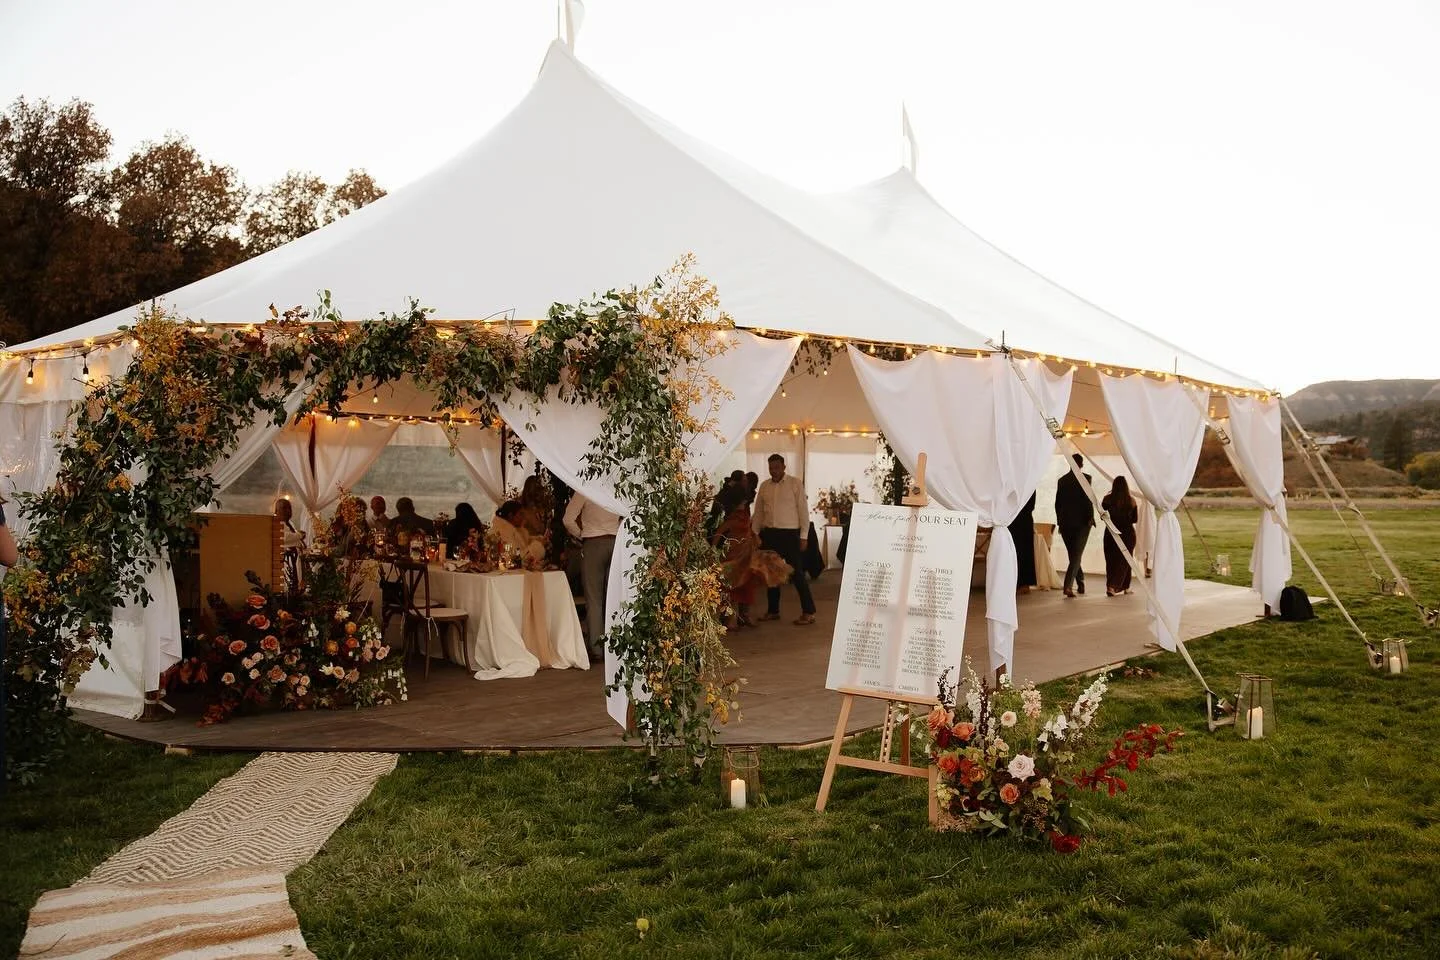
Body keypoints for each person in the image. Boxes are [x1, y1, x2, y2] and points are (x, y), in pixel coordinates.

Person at [752, 453, 817, 625]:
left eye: (777, 467)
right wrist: (755, 533)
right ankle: (773, 611)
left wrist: (804, 536)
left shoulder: (795, 484)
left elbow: (803, 511)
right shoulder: (764, 486)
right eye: (771, 468)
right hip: (770, 534)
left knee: (796, 573)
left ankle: (809, 611)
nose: (774, 471)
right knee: (772, 574)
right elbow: (758, 512)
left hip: (790, 535)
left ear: (784, 467)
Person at [563, 491, 620, 663]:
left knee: (594, 599)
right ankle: (616, 645)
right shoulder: (615, 486)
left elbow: (568, 519)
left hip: (593, 542)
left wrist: (581, 534)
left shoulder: (585, 488)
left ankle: (597, 648)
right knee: (614, 598)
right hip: (615, 542)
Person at [711, 484, 760, 630]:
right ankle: (735, 618)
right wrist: (713, 548)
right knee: (737, 588)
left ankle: (738, 617)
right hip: (736, 555)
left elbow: (721, 532)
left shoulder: (738, 517)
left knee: (738, 587)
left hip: (741, 554)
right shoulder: (735, 518)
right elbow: (721, 531)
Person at [1055, 454, 1096, 598]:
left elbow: (1057, 504)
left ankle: (1081, 582)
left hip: (1066, 523)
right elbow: (1088, 499)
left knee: (1073, 554)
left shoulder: (1062, 481)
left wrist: (1060, 522)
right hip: (1082, 523)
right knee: (1076, 555)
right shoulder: (1087, 478)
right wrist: (1091, 517)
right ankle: (1068, 587)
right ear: (1081, 464)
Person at [1102, 475, 1140, 596]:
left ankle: (1117, 586)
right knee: (1126, 560)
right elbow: (1135, 519)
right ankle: (1114, 586)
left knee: (1111, 560)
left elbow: (1103, 517)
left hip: (1111, 533)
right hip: (1127, 533)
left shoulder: (1107, 499)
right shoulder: (1131, 500)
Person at [274, 497, 306, 593]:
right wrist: (299, 535)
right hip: (287, 560)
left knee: (298, 581)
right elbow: (284, 538)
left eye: (289, 508)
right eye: (284, 508)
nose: (287, 511)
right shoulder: (276, 523)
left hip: (295, 557)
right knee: (289, 583)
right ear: (277, 510)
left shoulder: (289, 523)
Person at [1009, 491, 1038, 594]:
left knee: (1023, 552)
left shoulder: (1029, 485)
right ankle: (1017, 582)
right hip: (1014, 521)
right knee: (1015, 552)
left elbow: (1030, 505)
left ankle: (1024, 583)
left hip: (1020, 520)